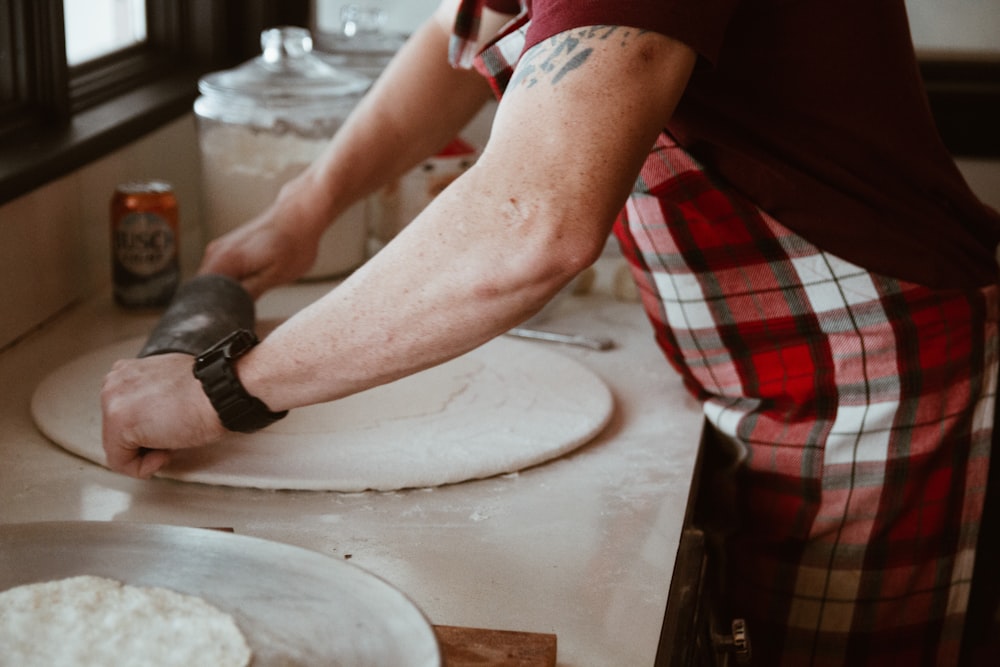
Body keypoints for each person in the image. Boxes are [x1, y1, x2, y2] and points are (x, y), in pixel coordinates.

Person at [101, 0, 1000, 663]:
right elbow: (462, 37)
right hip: (767, 381)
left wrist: (220, 387)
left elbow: (534, 222)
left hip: (885, 388)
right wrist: (304, 209)